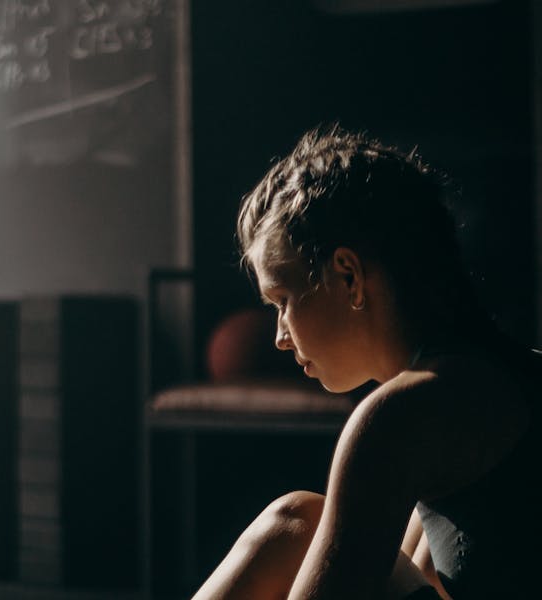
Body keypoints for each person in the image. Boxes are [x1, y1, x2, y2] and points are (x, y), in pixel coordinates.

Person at [192, 127, 542, 599]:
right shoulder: (514, 374)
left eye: (283, 300)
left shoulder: (397, 418)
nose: (279, 336)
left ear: (349, 276)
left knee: (292, 524)